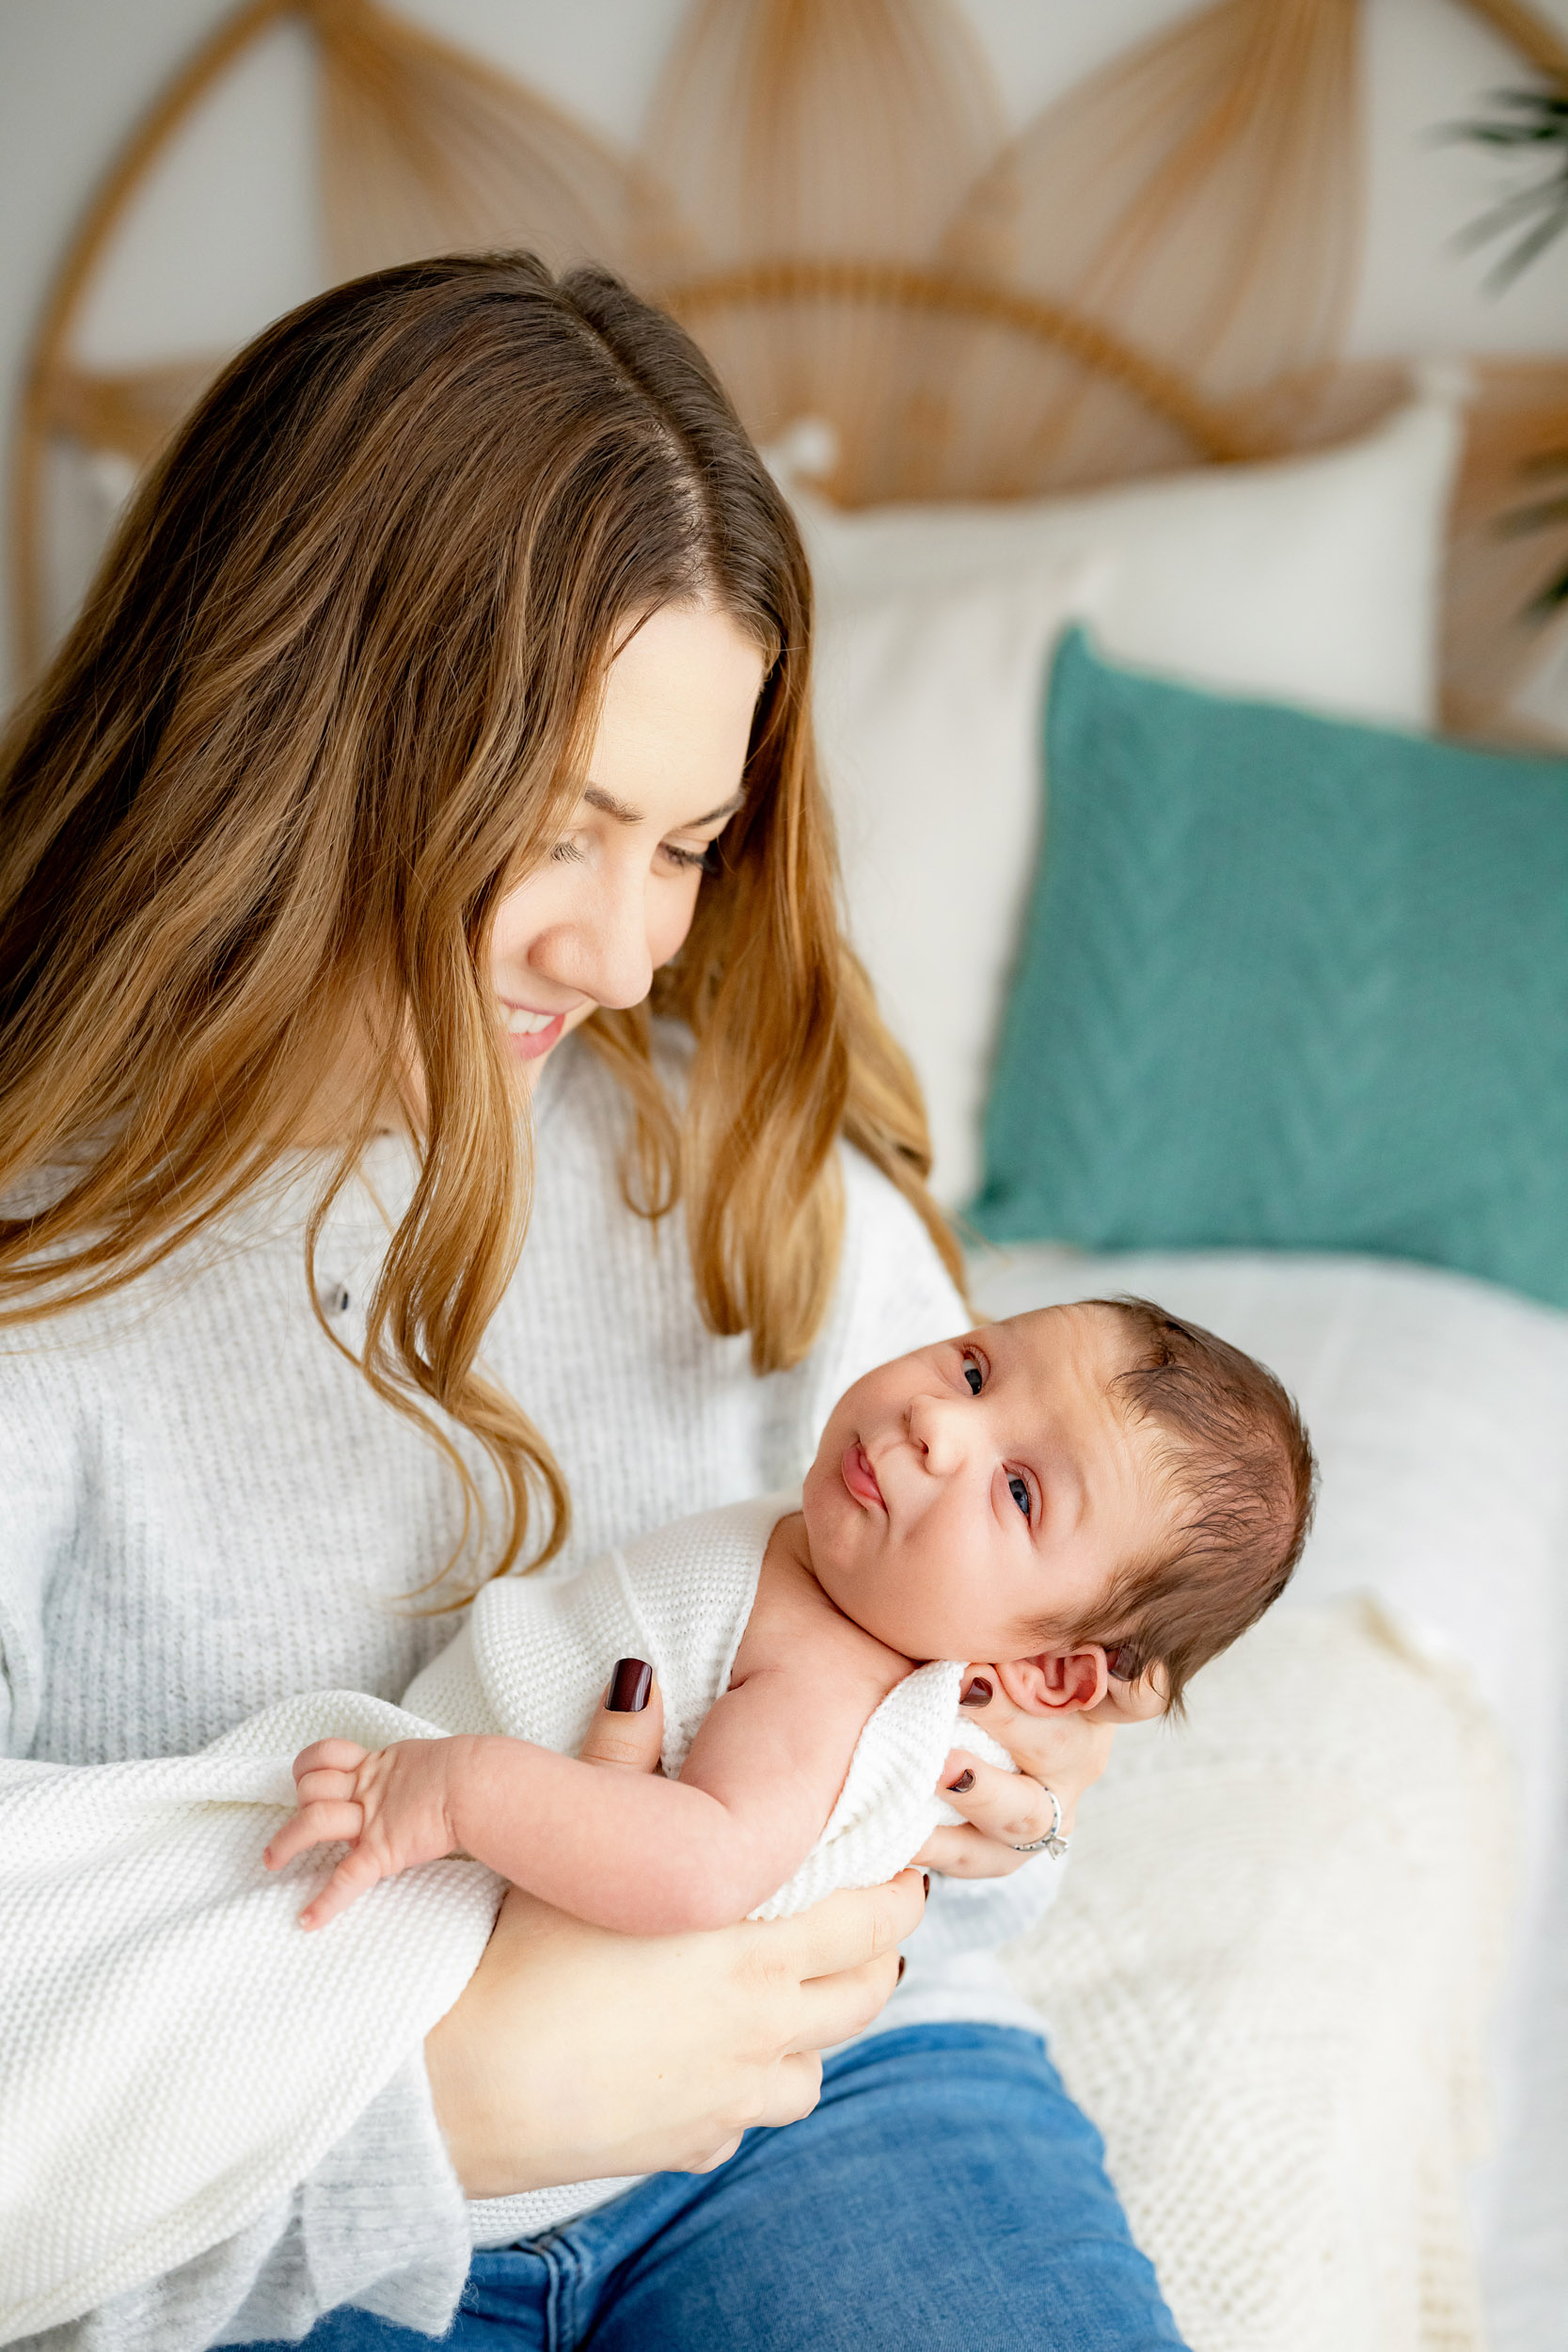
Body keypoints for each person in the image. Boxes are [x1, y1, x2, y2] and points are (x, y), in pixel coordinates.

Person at [0, 252, 1190, 2350]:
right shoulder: (46, 1275)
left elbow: (992, 1796)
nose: (627, 955)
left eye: (691, 844)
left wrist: (982, 1796)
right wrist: (445, 2104)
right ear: (296, 745)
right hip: (268, 2209)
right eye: (563, 832)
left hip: (820, 2108)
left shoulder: (745, 1176)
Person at [268, 1299, 1315, 1939]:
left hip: (451, 1883)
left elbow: (703, 1863)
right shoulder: (837, 1564)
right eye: (973, 1368)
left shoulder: (831, 1685)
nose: (937, 1421)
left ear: (1052, 1675)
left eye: (1021, 1493)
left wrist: (455, 1792)